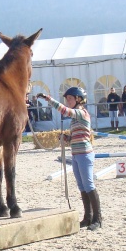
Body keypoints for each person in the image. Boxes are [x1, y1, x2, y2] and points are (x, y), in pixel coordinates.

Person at [37, 87, 102, 231]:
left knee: (89, 185)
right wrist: (66, 138)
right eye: (67, 99)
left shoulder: (81, 113)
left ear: (78, 99)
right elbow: (76, 137)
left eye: (70, 99)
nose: (67, 101)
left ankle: (98, 218)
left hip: (84, 154)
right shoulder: (75, 120)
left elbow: (65, 111)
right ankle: (88, 217)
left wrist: (49, 100)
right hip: (76, 154)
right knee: (82, 186)